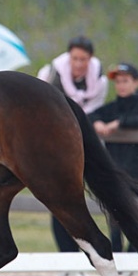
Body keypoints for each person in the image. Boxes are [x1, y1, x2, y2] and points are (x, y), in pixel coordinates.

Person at [37, 36, 108, 251]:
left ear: (90, 59)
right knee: (59, 199)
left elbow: (94, 110)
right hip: (55, 142)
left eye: (83, 59)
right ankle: (66, 253)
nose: (79, 64)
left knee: (79, 201)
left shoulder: (100, 81)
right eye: (75, 59)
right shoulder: (51, 74)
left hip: (81, 139)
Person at [89, 62, 138, 252]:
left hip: (136, 172)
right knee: (115, 215)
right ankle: (117, 253)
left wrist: (120, 124)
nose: (121, 85)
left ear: (136, 83)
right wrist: (98, 122)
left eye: (125, 81)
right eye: (118, 82)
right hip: (116, 170)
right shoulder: (112, 107)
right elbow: (91, 115)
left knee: (134, 215)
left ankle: (134, 253)